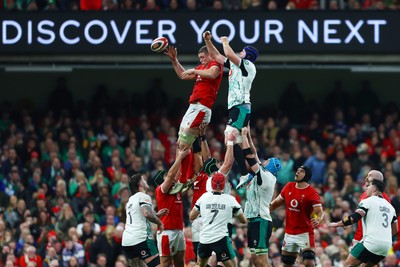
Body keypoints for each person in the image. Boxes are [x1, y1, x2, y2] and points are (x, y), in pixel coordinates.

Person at [203, 30, 259, 184]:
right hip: (237, 106)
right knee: (238, 140)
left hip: (241, 106)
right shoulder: (236, 66)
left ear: (247, 56)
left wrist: (225, 41)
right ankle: (248, 172)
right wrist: (208, 41)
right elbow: (216, 56)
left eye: (242, 51)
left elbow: (227, 53)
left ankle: (242, 172)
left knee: (230, 135)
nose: (239, 52)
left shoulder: (248, 65)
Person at [164, 45, 223, 150]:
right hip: (192, 107)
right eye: (199, 58)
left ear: (210, 55)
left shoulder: (216, 64)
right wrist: (174, 60)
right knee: (180, 143)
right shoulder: (201, 68)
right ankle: (189, 165)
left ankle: (190, 165)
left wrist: (194, 71)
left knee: (184, 143)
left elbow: (212, 74)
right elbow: (183, 75)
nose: (200, 60)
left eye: (202, 57)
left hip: (202, 108)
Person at [328, 179, 397, 267]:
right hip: (385, 247)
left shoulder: (368, 201)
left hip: (371, 243)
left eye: (369, 186)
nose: (366, 188)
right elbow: (395, 229)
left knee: (348, 264)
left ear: (374, 189)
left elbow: (354, 217)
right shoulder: (390, 207)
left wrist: (338, 224)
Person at [240, 126, 281, 267]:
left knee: (262, 260)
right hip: (253, 219)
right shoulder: (263, 173)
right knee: (255, 260)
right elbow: (254, 152)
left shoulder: (266, 176)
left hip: (261, 219)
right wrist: (249, 136)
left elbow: (249, 156)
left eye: (268, 160)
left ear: (271, 166)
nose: (264, 160)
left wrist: (243, 136)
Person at [189, 171, 247, 267]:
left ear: (211, 184)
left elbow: (192, 216)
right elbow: (243, 220)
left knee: (200, 265)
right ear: (224, 185)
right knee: (232, 265)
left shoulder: (203, 197)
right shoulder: (230, 199)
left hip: (205, 238)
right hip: (220, 238)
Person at [270, 165, 324, 267]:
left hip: (305, 232)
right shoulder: (288, 186)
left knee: (309, 261)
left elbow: (320, 212)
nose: (298, 172)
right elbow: (276, 204)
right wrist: (265, 210)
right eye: (298, 170)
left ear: (307, 176)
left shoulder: (312, 193)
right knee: (287, 262)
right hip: (289, 232)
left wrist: (319, 219)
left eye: (302, 171)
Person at [153, 147, 190, 267]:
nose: (172, 179)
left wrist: (179, 151)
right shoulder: (161, 190)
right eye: (166, 178)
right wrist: (179, 157)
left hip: (179, 230)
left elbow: (177, 173)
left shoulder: (175, 190)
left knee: (180, 262)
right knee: (165, 263)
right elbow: (170, 175)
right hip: (166, 232)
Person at [121, 174, 168, 267]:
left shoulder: (130, 200)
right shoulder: (143, 196)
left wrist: (156, 215)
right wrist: (160, 223)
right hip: (141, 239)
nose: (146, 181)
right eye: (144, 180)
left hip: (127, 241)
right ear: (140, 184)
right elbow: (146, 213)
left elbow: (140, 215)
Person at [350, 170, 391, 251]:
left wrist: (344, 222)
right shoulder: (365, 194)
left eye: (370, 176)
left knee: (351, 263)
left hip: (370, 238)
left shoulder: (384, 198)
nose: (366, 178)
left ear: (377, 180)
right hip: (360, 235)